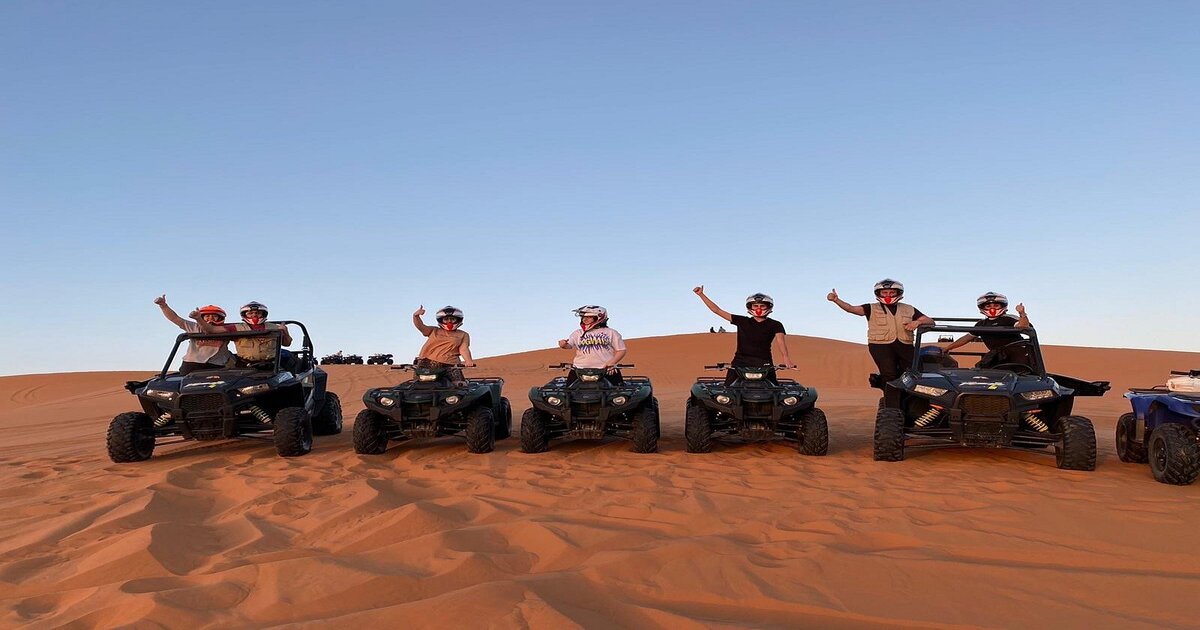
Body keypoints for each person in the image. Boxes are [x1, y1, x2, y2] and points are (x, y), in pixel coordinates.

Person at [828, 279, 934, 407]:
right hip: (880, 346)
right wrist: (836, 300)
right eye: (884, 292)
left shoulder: (909, 309)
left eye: (891, 292)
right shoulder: (871, 308)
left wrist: (917, 322)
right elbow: (851, 309)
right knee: (889, 374)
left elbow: (930, 321)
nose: (888, 295)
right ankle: (892, 408)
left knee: (912, 373)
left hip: (904, 344)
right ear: (879, 293)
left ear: (898, 292)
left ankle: (913, 404)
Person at [693, 286, 796, 385]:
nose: (758, 308)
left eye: (762, 306)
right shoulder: (742, 321)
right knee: (728, 389)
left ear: (768, 307)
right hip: (740, 362)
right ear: (750, 307)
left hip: (764, 362)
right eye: (755, 306)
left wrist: (786, 358)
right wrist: (701, 295)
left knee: (774, 389)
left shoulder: (776, 324)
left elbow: (780, 341)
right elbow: (717, 310)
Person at [943, 292, 1033, 368]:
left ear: (1003, 306)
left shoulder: (1009, 318)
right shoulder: (981, 324)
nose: (992, 308)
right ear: (982, 308)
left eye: (996, 305)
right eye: (988, 306)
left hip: (1018, 356)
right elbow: (966, 338)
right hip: (997, 356)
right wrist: (947, 348)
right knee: (980, 371)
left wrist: (1022, 313)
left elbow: (1023, 326)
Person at [193, 301, 292, 369]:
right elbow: (211, 330)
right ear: (245, 315)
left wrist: (285, 332)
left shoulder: (274, 327)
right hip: (246, 366)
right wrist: (198, 318)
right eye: (250, 313)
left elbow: (287, 343)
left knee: (287, 382)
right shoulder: (236, 328)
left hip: (272, 365)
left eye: (257, 313)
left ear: (263, 314)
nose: (254, 315)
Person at [153, 295, 232, 374]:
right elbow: (175, 318)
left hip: (217, 365)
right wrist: (163, 306)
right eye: (207, 316)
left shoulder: (225, 329)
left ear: (220, 318)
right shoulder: (194, 327)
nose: (210, 318)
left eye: (214, 316)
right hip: (192, 364)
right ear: (201, 317)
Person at [558, 305, 626, 385]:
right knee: (568, 392)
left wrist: (612, 362)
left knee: (618, 393)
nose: (585, 319)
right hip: (579, 369)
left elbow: (621, 350)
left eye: (589, 317)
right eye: (583, 317)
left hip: (606, 369)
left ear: (599, 317)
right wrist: (563, 345)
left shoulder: (611, 332)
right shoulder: (578, 333)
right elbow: (569, 345)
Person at [412, 305, 475, 385]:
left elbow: (463, 349)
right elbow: (421, 326)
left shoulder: (463, 334)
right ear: (441, 320)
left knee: (460, 385)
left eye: (452, 319)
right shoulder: (434, 330)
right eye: (446, 319)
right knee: (418, 385)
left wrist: (468, 361)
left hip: (450, 364)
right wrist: (416, 316)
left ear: (457, 319)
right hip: (426, 363)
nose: (449, 321)